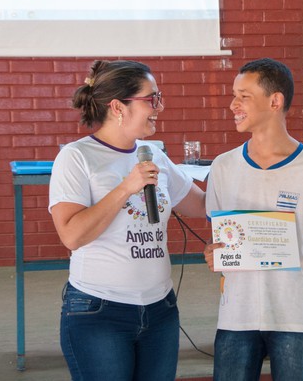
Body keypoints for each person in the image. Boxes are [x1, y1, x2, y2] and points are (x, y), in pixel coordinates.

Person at [49, 60, 205, 381]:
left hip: (160, 310)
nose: (159, 107)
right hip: (99, 313)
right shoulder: (77, 157)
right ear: (118, 107)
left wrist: (251, 174)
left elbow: (201, 205)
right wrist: (127, 187)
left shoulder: (152, 154)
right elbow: (72, 235)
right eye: (151, 99)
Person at [203, 58, 303, 381]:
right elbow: (222, 242)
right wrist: (214, 255)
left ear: (275, 101)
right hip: (236, 318)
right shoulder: (223, 168)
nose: (232, 105)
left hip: (296, 318)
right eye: (233, 95)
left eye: (243, 96)